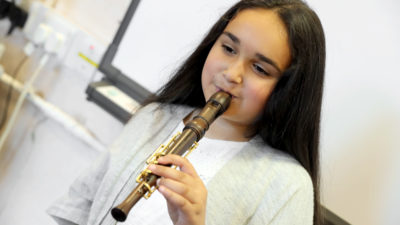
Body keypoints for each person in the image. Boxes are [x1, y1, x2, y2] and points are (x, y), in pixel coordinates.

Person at [47, 0, 325, 224]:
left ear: (289, 89)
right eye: (228, 48)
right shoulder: (153, 117)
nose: (231, 74)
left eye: (260, 69)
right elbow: (79, 206)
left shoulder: (288, 186)